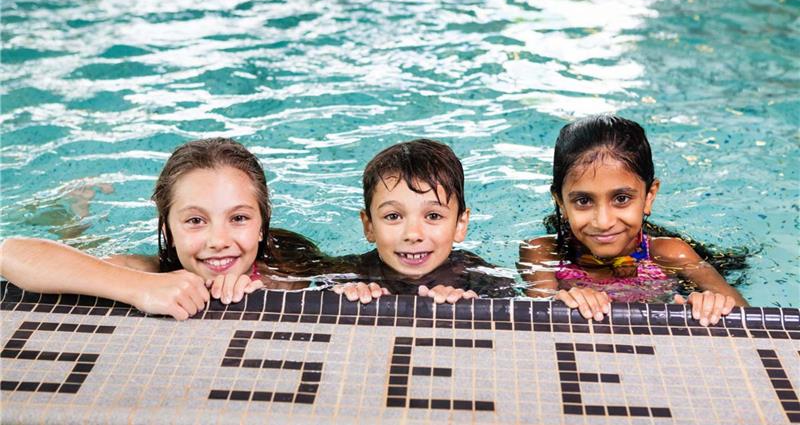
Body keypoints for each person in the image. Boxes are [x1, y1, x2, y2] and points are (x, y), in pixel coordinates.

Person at [0, 138, 324, 320]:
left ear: (261, 227)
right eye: (195, 221)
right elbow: (10, 253)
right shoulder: (152, 271)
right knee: (80, 243)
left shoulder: (297, 267)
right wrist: (141, 288)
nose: (219, 241)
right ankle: (74, 210)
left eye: (239, 218)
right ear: (169, 231)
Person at [518, 115, 748, 326]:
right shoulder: (543, 253)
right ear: (560, 202)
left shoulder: (671, 255)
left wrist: (712, 305)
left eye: (621, 198)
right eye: (583, 201)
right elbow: (537, 322)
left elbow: (751, 320)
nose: (603, 221)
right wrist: (560, 303)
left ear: (649, 196)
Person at [330, 139, 516, 304]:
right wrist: (341, 297)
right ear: (369, 226)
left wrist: (470, 307)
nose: (413, 234)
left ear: (460, 225)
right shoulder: (347, 274)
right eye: (393, 216)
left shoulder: (484, 281)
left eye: (433, 216)